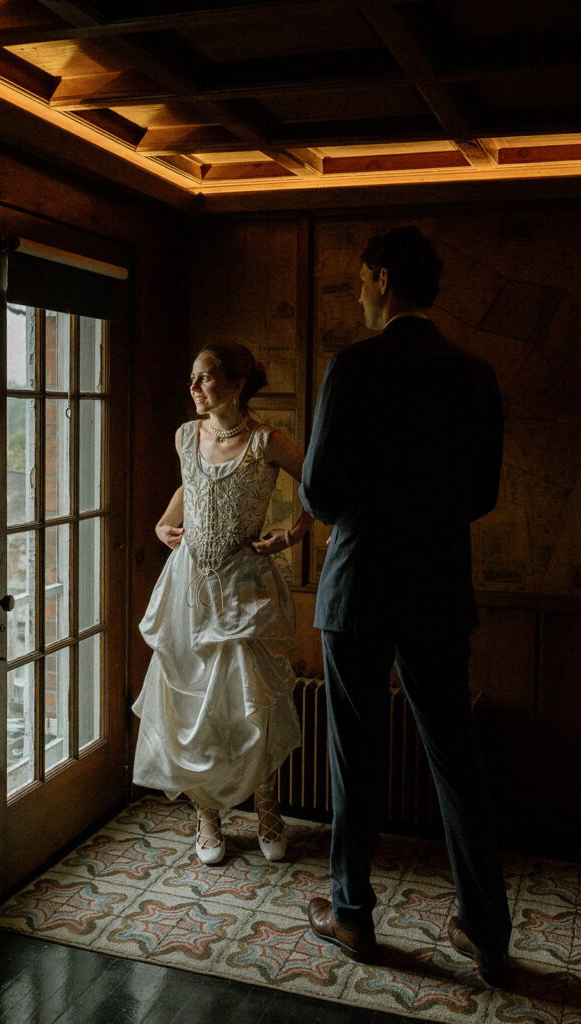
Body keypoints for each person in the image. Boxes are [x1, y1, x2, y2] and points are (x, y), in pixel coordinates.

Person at [299, 225, 512, 986]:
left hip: (357, 585)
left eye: (360, 281)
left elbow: (319, 494)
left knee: (355, 755)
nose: (358, 294)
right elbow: (480, 495)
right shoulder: (476, 373)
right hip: (437, 585)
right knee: (455, 758)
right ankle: (486, 930)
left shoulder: (353, 366)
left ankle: (351, 915)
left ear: (382, 279)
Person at [133, 342, 312, 865]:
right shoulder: (186, 435)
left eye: (206, 378)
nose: (194, 387)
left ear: (235, 385)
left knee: (248, 706)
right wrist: (165, 522)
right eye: (192, 377)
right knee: (193, 706)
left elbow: (321, 484)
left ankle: (267, 809)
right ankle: (206, 815)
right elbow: (190, 488)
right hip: (188, 587)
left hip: (244, 589)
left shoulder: (266, 441)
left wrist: (293, 534)